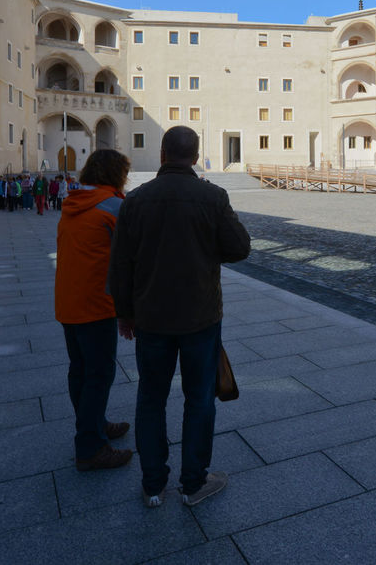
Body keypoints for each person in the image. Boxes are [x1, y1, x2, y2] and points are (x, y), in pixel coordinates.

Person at [108, 126, 251, 509]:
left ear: (162, 154)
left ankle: (153, 485)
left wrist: (124, 313)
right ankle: (193, 484)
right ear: (196, 154)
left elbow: (120, 263)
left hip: (151, 318)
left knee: (150, 399)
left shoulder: (135, 200)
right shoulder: (212, 196)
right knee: (199, 399)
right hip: (200, 317)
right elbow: (240, 248)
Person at [55, 150, 134, 471]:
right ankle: (90, 446)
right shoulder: (114, 206)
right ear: (117, 174)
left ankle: (96, 424)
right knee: (99, 374)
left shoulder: (73, 202)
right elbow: (128, 260)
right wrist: (129, 310)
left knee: (80, 370)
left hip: (68, 301)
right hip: (96, 304)